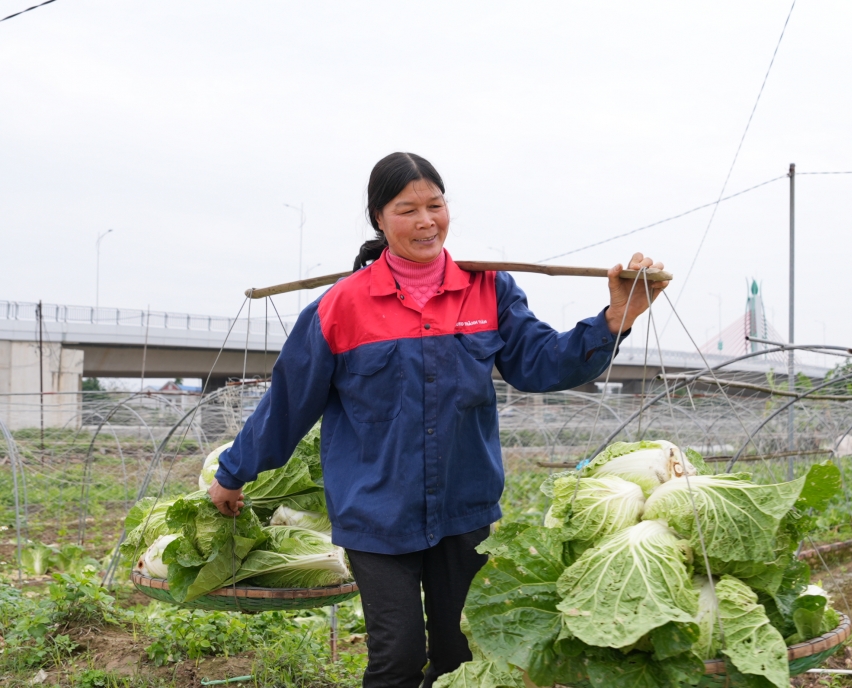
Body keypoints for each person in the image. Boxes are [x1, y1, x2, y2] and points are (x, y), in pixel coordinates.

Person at [208, 152, 667, 688]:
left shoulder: (489, 290)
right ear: (380, 218)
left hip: (463, 505)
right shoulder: (340, 307)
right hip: (376, 512)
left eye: (436, 205)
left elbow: (540, 363)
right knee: (396, 657)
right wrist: (234, 472)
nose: (427, 222)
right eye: (408, 209)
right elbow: (288, 403)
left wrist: (617, 317)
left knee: (461, 654)